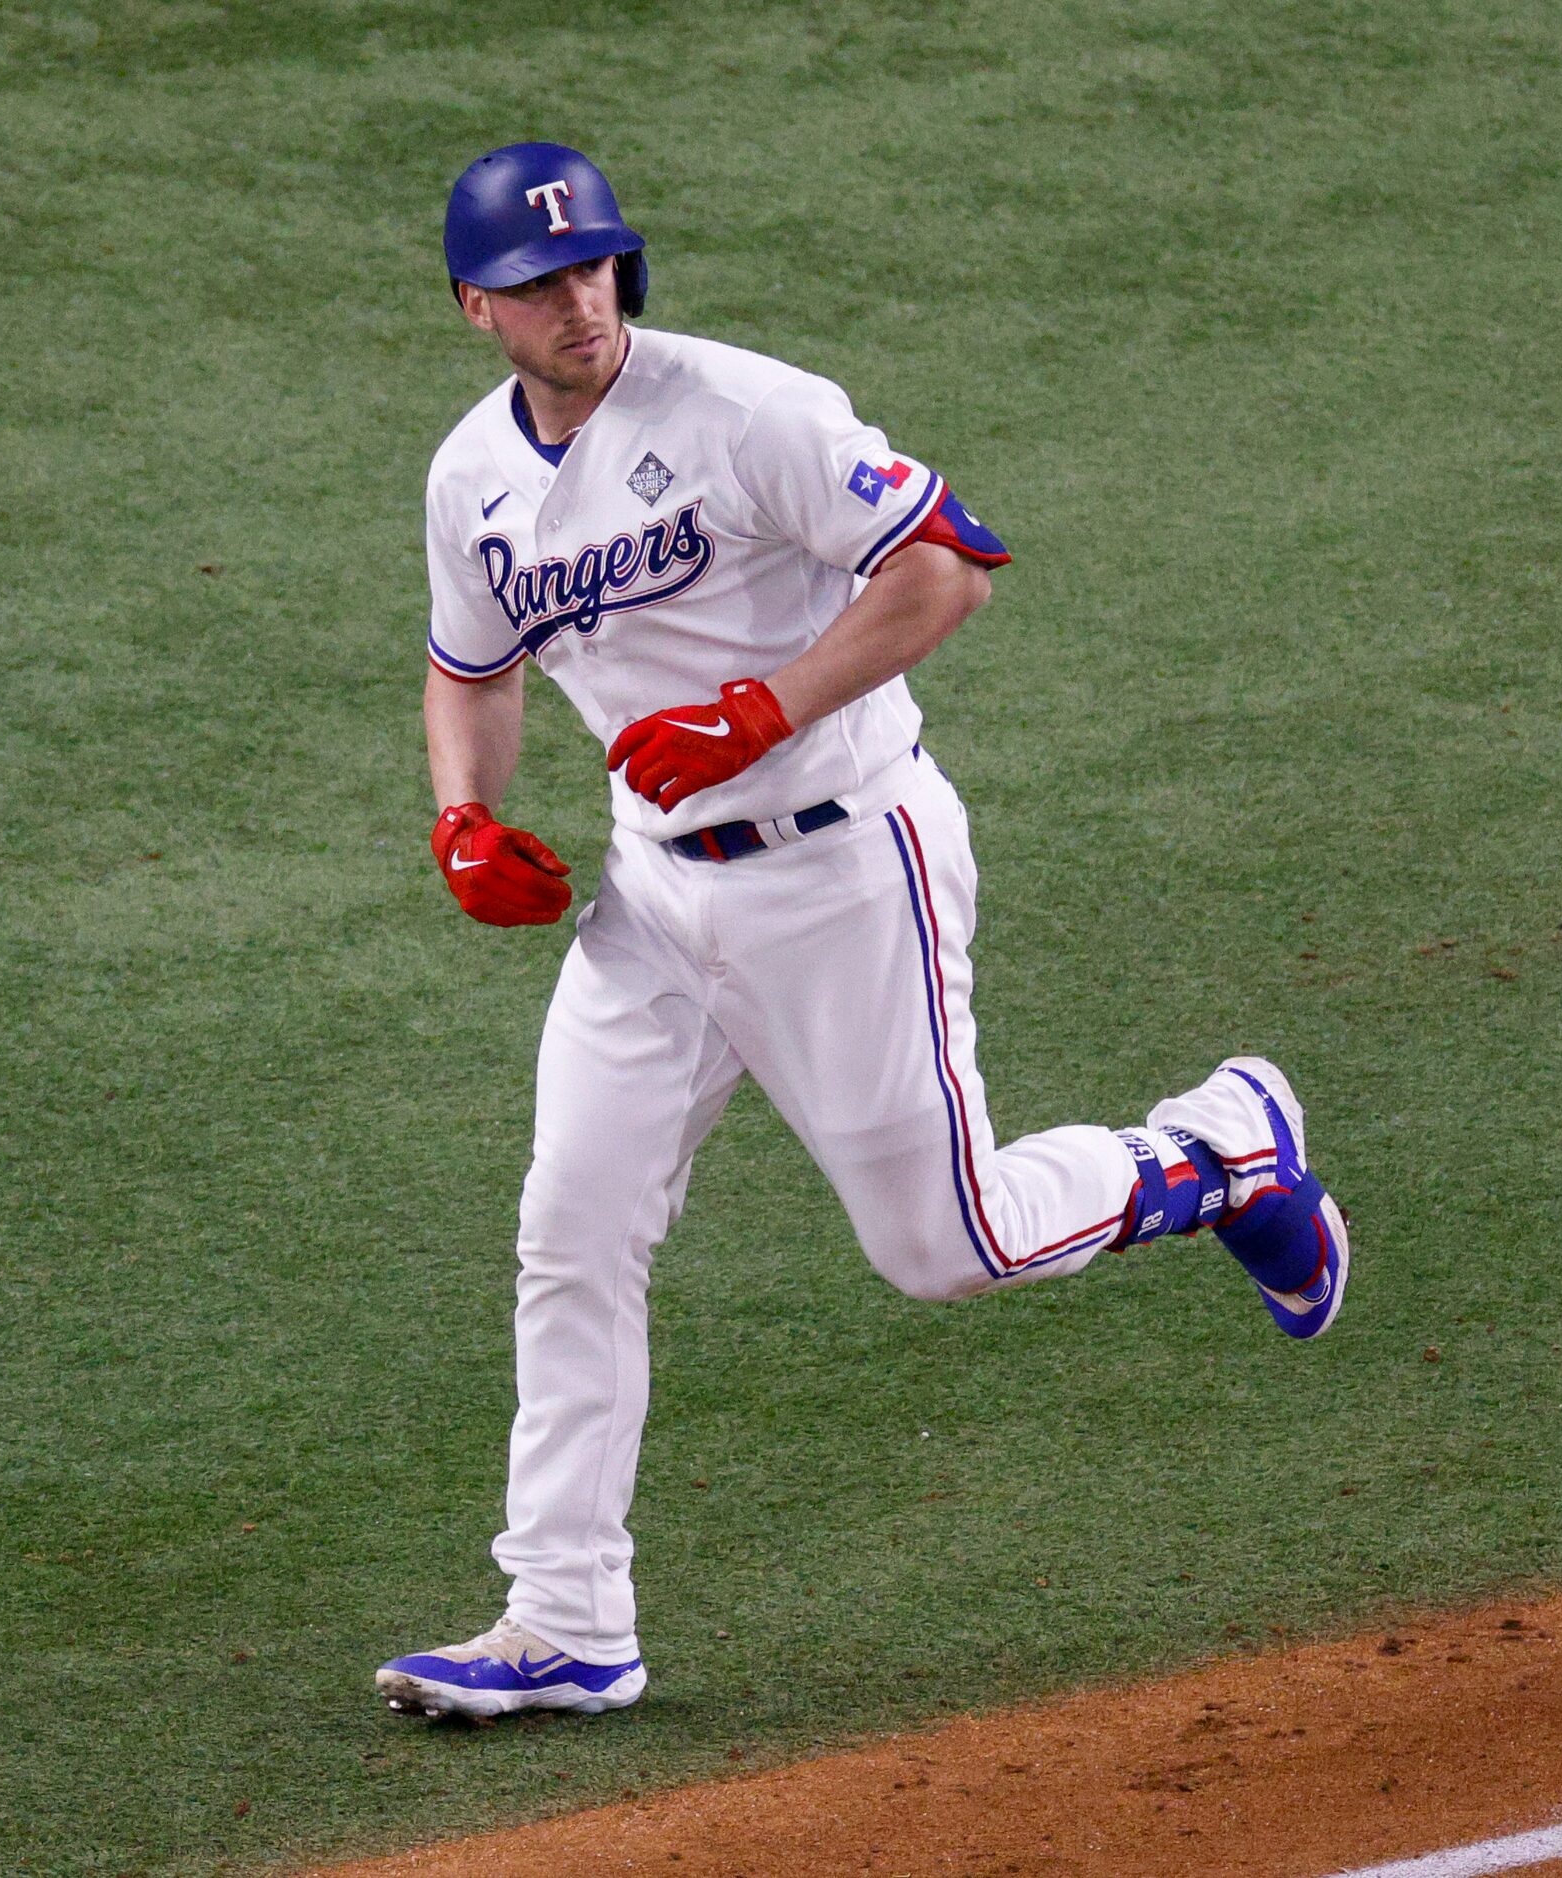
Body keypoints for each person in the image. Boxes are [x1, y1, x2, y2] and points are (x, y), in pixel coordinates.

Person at [373, 143, 1351, 1723]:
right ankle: (564, 1616)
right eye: (543, 284)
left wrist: (759, 708)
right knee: (573, 1232)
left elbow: (947, 566)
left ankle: (1220, 1149)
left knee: (943, 1248)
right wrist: (462, 820)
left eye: (600, 266)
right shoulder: (466, 478)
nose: (583, 302)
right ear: (471, 306)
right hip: (654, 896)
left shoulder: (744, 411)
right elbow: (468, 665)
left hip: (842, 864)